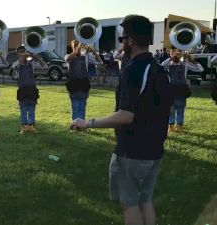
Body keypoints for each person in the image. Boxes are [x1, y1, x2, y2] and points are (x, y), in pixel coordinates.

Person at [72, 15, 173, 225]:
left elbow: (126, 115)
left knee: (130, 204)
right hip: (155, 149)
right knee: (145, 200)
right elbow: (166, 108)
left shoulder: (134, 71)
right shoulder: (160, 70)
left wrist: (88, 123)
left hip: (133, 151)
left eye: (122, 39)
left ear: (131, 40)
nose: (121, 43)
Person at [161, 49, 203, 132]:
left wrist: (191, 60)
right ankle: (171, 126)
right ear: (171, 54)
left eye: (179, 52)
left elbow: (200, 69)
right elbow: (161, 65)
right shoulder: (169, 63)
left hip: (181, 88)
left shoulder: (185, 63)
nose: (177, 54)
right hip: (171, 88)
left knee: (180, 107)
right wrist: (170, 58)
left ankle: (180, 125)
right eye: (174, 52)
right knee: (171, 108)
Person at [65, 40, 99, 131]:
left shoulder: (86, 57)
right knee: (75, 106)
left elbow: (99, 61)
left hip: (84, 84)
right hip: (73, 85)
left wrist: (93, 51)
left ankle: (82, 126)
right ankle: (75, 125)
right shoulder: (69, 56)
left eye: (79, 45)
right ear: (72, 47)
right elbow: (67, 59)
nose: (77, 47)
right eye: (75, 46)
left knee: (82, 107)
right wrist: (76, 51)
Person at [12, 45, 47, 134]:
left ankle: (31, 126)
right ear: (17, 54)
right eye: (20, 52)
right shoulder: (16, 63)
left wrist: (36, 58)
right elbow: (15, 67)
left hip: (32, 89)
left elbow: (45, 66)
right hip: (22, 90)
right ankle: (24, 127)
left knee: (32, 109)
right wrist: (22, 59)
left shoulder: (31, 63)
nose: (23, 53)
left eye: (24, 51)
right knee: (23, 110)